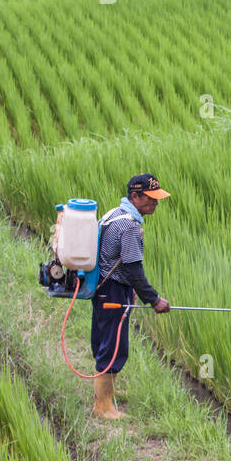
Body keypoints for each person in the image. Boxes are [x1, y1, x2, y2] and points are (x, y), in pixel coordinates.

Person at [90, 173, 170, 420]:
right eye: (151, 198)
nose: (156, 203)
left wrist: (132, 290)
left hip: (104, 287)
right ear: (135, 197)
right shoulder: (129, 227)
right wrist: (154, 299)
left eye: (157, 198)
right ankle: (102, 407)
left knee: (105, 340)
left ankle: (106, 394)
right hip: (112, 289)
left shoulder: (115, 213)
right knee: (114, 346)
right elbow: (134, 269)